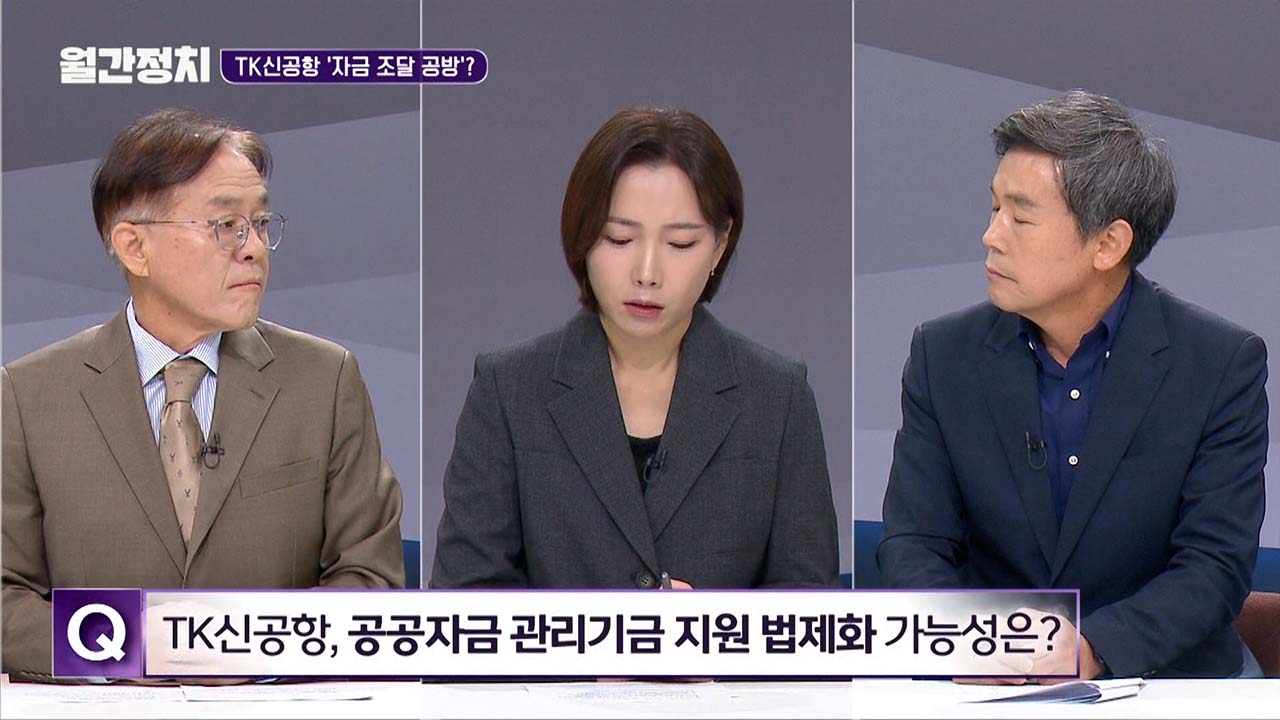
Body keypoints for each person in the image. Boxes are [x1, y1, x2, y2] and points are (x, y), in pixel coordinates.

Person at [2, 108, 405, 677]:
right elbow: (7, 599)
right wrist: (139, 646)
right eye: (225, 225)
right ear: (134, 247)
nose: (254, 248)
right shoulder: (28, 396)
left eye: (260, 223)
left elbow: (370, 580)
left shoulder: (325, 380)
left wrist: (243, 645)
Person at [878, 91, 1268, 679]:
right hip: (990, 675)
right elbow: (914, 542)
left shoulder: (1218, 364)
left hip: (1167, 678)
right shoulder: (943, 355)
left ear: (1108, 244)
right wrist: (966, 639)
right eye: (994, 208)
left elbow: (1214, 565)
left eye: (1020, 218)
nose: (991, 235)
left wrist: (1092, 648)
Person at [431, 107, 839, 590]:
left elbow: (812, 613)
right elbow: (462, 608)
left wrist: (714, 632)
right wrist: (600, 641)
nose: (647, 273)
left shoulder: (779, 399)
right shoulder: (508, 391)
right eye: (619, 238)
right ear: (582, 236)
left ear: (720, 244)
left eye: (680, 244)